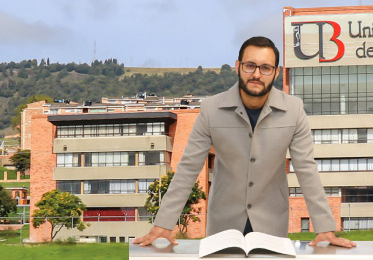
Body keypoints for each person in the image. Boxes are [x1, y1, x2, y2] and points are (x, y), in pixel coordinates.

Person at [133, 36, 355, 248]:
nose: (257, 74)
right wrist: (164, 222)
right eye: (250, 65)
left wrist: (324, 226)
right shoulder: (211, 109)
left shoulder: (294, 110)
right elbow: (188, 167)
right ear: (238, 66)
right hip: (223, 225)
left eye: (265, 68)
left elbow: (306, 168)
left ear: (276, 72)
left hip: (272, 225)